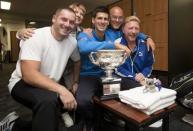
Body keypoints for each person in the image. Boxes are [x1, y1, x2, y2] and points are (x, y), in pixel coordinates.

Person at [3, 7, 78, 131]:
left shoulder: (72, 42)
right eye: (64, 19)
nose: (67, 24)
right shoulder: (35, 36)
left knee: (49, 116)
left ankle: (15, 125)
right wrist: (62, 90)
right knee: (48, 102)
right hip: (22, 82)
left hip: (49, 84)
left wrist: (76, 82)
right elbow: (29, 75)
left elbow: (78, 60)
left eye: (71, 22)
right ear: (54, 19)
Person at [76, 6, 115, 131]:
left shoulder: (111, 34)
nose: (102, 21)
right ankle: (89, 122)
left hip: (107, 73)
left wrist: (145, 37)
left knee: (117, 97)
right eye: (99, 18)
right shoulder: (84, 34)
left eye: (105, 19)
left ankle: (109, 119)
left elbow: (130, 31)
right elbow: (83, 47)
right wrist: (110, 45)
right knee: (82, 101)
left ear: (108, 22)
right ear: (93, 20)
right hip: (88, 75)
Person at [115, 16, 154, 89]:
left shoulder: (146, 44)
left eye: (136, 28)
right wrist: (134, 77)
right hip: (124, 77)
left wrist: (143, 75)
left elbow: (149, 65)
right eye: (130, 28)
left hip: (143, 76)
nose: (134, 31)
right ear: (123, 30)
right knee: (139, 89)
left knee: (156, 87)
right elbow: (117, 68)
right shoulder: (117, 44)